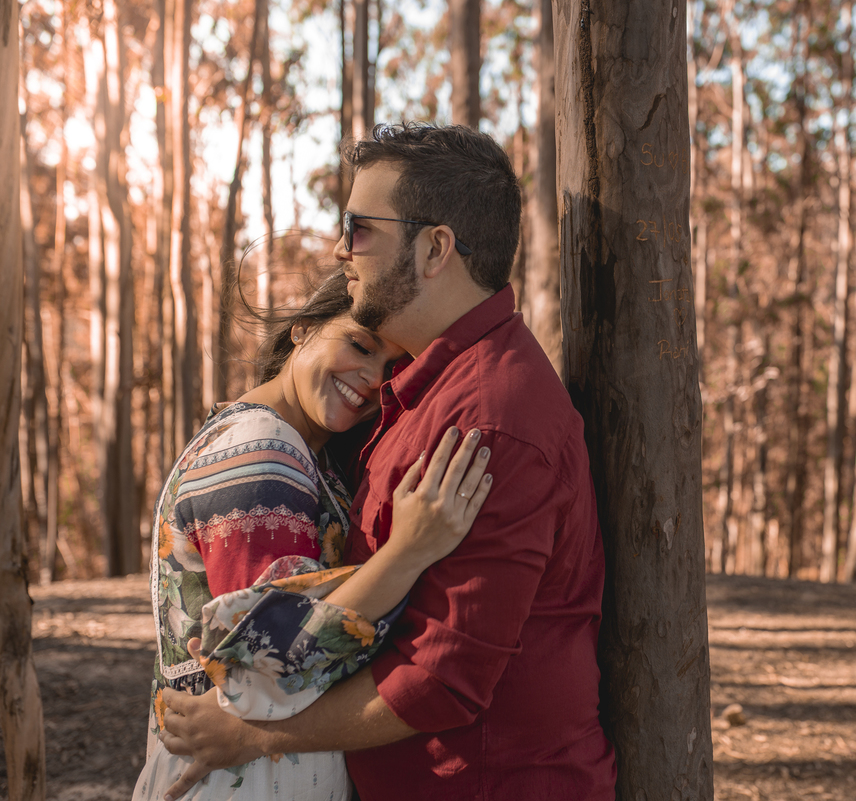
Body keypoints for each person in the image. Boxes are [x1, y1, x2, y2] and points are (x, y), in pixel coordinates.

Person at [160, 122, 617, 800]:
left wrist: (253, 735)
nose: (341, 249)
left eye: (360, 227)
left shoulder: (491, 420)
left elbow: (441, 679)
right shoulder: (411, 391)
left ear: (435, 248)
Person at [136, 272, 493, 801]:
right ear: (302, 329)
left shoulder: (295, 450)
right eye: (359, 345)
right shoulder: (263, 449)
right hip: (246, 776)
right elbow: (264, 663)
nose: (373, 379)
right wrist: (411, 549)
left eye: (392, 367)